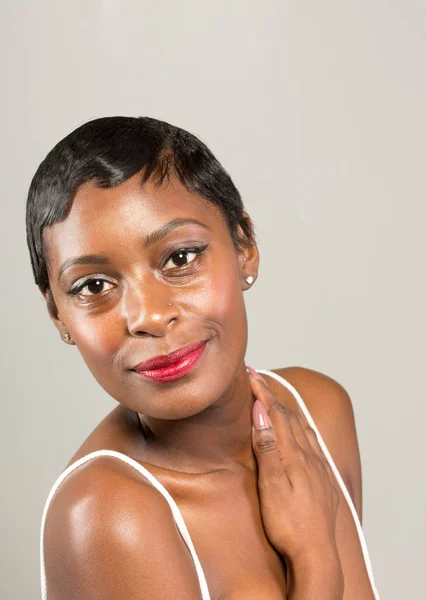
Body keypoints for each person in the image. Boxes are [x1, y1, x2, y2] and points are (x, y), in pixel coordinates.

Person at [26, 116, 380, 599]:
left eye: (180, 258)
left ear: (244, 246)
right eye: (94, 286)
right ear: (59, 316)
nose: (148, 316)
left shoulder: (318, 411)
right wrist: (315, 553)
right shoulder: (107, 513)